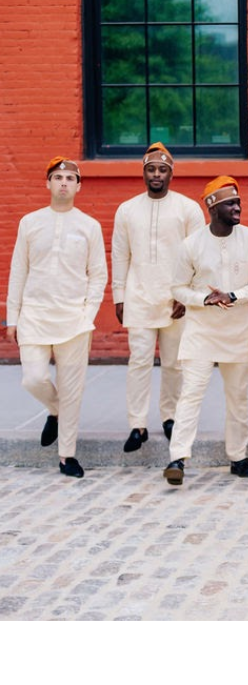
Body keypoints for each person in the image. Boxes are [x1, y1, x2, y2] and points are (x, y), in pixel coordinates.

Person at [163, 177, 248, 486]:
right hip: (200, 331)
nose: (237, 208)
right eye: (230, 204)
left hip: (238, 332)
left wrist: (232, 296)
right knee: (190, 394)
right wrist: (204, 299)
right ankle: (177, 458)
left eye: (238, 203)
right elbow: (177, 287)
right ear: (212, 207)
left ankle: (238, 457)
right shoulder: (191, 244)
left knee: (238, 397)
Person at [6, 157, 107, 478]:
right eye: (57, 177)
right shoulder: (30, 222)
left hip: (74, 319)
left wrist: (87, 314)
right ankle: (54, 409)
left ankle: (67, 456)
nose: (63, 182)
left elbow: (98, 275)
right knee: (33, 378)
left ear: (78, 186)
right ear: (48, 183)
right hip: (34, 315)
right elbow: (18, 270)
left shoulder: (89, 226)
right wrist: (13, 317)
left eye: (69, 178)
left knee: (72, 388)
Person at [111, 143, 203, 453]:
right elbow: (120, 255)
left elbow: (199, 256)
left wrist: (189, 296)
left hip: (175, 299)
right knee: (138, 361)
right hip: (138, 296)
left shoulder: (188, 209)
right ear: (143, 172)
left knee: (174, 364)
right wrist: (118, 295)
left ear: (171, 174)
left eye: (162, 169)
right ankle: (137, 424)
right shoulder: (127, 209)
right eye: (151, 169)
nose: (156, 174)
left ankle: (170, 417)